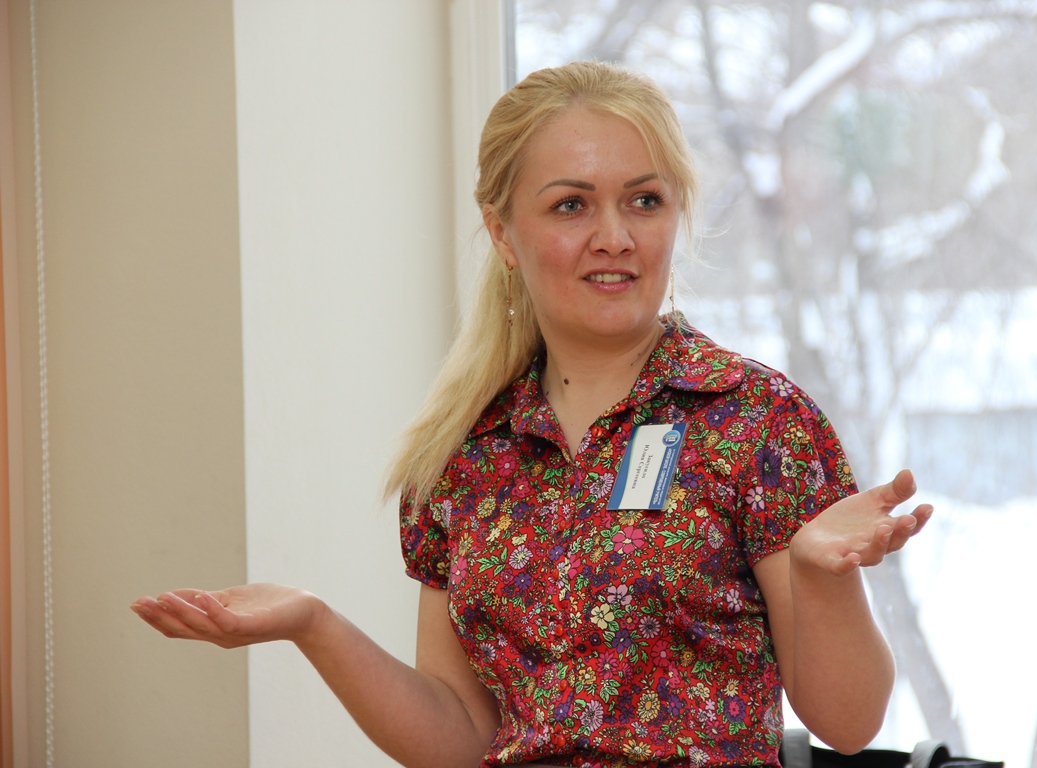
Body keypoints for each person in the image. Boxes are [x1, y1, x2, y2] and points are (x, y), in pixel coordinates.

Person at [131, 61, 931, 768]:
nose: (614, 236)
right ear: (503, 234)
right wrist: (315, 625)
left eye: (644, 201)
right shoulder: (463, 453)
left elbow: (849, 725)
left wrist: (820, 578)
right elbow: (461, 737)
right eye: (571, 205)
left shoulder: (756, 420)